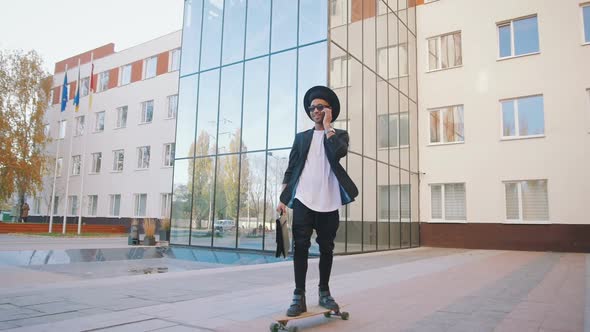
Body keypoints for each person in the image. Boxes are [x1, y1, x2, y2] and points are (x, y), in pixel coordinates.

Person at [276, 86, 358, 317]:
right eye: (312, 108)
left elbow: (339, 153)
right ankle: (298, 295)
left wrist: (329, 127)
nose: (314, 111)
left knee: (326, 248)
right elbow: (291, 168)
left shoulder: (339, 135)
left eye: (320, 107)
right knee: (300, 246)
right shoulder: (302, 138)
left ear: (329, 110)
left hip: (329, 200)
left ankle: (324, 292)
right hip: (303, 199)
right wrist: (283, 198)